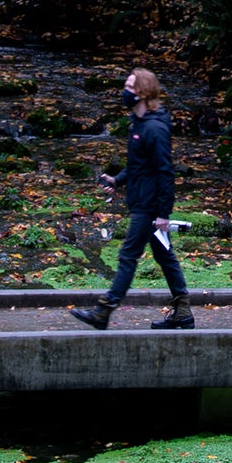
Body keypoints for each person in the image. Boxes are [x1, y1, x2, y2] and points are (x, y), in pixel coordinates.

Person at [70, 68, 194, 330]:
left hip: (148, 206)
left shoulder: (155, 128)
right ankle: (182, 312)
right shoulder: (139, 124)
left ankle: (104, 311)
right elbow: (139, 165)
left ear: (142, 92)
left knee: (128, 255)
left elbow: (164, 172)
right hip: (141, 199)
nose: (124, 91)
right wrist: (117, 180)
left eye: (129, 86)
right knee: (165, 256)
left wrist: (163, 213)